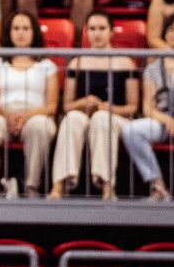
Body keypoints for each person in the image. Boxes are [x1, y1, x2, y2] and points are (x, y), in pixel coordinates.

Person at [50, 11, 140, 200]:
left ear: (111, 32)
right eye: (92, 29)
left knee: (101, 119)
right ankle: (59, 184)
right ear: (86, 32)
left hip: (116, 119)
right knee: (72, 118)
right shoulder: (77, 63)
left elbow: (133, 107)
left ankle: (107, 186)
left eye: (101, 28)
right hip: (84, 115)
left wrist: (110, 109)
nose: (96, 33)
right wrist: (83, 103)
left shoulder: (126, 63)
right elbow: (67, 106)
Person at [0, 12, 59, 198]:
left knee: (41, 126)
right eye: (16, 28)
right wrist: (9, 116)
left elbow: (52, 105)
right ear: (9, 32)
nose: (20, 33)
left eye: (25, 28)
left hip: (35, 116)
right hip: (3, 116)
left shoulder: (48, 65)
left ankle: (31, 187)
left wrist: (26, 117)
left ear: (34, 32)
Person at [123, 12, 174, 202]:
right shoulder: (153, 68)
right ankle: (158, 186)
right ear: (165, 34)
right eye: (171, 29)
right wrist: (168, 121)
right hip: (164, 120)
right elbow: (148, 107)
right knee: (131, 131)